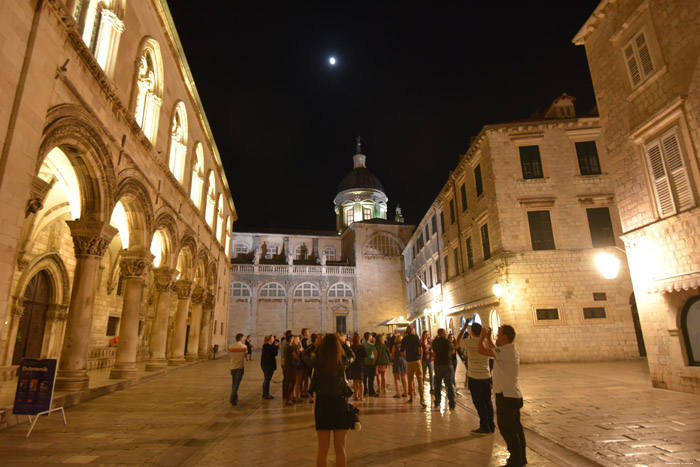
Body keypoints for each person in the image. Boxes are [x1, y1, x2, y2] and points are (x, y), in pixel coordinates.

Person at [302, 333, 355, 467]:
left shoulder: (318, 361)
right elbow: (352, 356)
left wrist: (315, 344)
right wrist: (343, 343)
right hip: (339, 404)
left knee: (322, 450)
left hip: (322, 405)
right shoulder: (342, 361)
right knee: (341, 448)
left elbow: (304, 356)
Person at [478, 325, 527, 467]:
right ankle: (521, 457)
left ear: (505, 337)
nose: (497, 336)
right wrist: (488, 338)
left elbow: (481, 350)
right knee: (516, 429)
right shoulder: (509, 350)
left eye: (499, 334)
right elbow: (495, 351)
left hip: (506, 396)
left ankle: (515, 460)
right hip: (514, 395)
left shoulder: (506, 351)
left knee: (508, 429)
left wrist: (481, 337)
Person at [462, 323, 495, 434]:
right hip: (486, 376)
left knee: (479, 403)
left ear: (472, 332)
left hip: (475, 377)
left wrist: (463, 328)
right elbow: (493, 350)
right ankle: (491, 425)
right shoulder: (485, 342)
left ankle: (484, 426)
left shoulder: (468, 342)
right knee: (488, 402)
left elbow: (457, 342)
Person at [401, 325, 426, 406]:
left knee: (410, 379)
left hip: (409, 361)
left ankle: (411, 397)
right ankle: (422, 397)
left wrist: (406, 358)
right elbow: (420, 349)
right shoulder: (415, 337)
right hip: (416, 360)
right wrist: (421, 359)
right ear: (412, 330)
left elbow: (401, 352)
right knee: (419, 378)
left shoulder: (404, 339)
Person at [431, 328, 455, 410]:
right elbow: (452, 351)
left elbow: (434, 352)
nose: (446, 333)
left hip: (438, 364)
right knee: (449, 384)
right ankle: (452, 404)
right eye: (445, 332)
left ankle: (437, 402)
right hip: (448, 364)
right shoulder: (448, 342)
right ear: (441, 333)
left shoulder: (435, 342)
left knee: (438, 384)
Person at [228, 333, 247, 406]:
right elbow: (245, 356)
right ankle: (232, 398)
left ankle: (235, 397)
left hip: (232, 366)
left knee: (234, 383)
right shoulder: (244, 347)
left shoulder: (231, 346)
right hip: (240, 366)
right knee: (236, 384)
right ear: (241, 338)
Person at [348, 333, 366, 401]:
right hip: (360, 366)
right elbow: (365, 355)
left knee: (355, 382)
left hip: (353, 366)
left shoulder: (351, 347)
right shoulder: (362, 347)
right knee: (361, 382)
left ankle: (356, 395)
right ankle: (361, 396)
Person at [260, 334, 278, 399]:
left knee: (266, 379)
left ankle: (265, 393)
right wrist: (275, 346)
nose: (274, 339)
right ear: (270, 339)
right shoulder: (267, 346)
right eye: (273, 338)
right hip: (268, 365)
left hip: (266, 365)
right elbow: (275, 353)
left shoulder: (267, 346)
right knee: (267, 379)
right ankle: (266, 394)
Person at [281, 331, 296, 406]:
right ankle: (289, 398)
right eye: (293, 338)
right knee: (292, 382)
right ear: (290, 339)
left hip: (286, 366)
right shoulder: (290, 347)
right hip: (290, 366)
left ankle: (287, 397)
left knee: (287, 382)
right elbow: (295, 356)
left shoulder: (285, 346)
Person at [362, 332, 377, 397]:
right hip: (370, 363)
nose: (372, 338)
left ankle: (364, 391)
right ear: (369, 337)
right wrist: (374, 361)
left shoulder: (362, 345)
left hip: (364, 363)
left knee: (364, 378)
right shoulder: (371, 345)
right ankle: (371, 391)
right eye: (371, 337)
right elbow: (375, 353)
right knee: (371, 378)